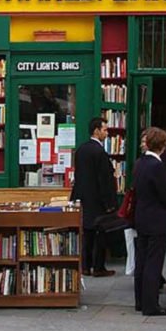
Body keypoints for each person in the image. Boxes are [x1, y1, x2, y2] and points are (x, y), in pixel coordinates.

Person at [133, 126, 166, 317]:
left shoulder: (140, 163)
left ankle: (140, 301)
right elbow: (165, 194)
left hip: (142, 217)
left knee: (141, 261)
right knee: (153, 262)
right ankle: (151, 305)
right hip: (157, 219)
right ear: (163, 146)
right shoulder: (157, 166)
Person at [71, 117, 119, 277]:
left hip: (85, 197)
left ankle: (85, 265)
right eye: (104, 129)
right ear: (96, 131)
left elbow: (79, 175)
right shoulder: (100, 152)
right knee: (101, 233)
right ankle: (98, 267)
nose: (107, 133)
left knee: (87, 233)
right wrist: (110, 203)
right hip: (98, 199)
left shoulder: (81, 150)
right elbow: (104, 179)